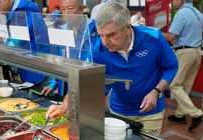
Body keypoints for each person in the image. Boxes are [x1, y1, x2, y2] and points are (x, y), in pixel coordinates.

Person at [46, 2, 179, 136]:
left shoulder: (154, 38)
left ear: (127, 28)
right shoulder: (98, 49)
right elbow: (84, 81)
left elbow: (172, 66)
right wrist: (64, 105)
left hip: (151, 113)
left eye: (110, 35)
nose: (105, 42)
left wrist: (156, 91)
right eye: (101, 35)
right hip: (118, 111)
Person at [0, 0, 49, 89]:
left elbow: (16, 40)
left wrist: (1, 54)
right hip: (29, 66)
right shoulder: (15, 12)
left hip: (36, 70)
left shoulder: (22, 12)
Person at [163, 0, 203, 131]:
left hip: (185, 52)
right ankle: (180, 115)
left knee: (174, 83)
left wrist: (155, 33)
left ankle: (196, 113)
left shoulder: (182, 13)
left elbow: (171, 37)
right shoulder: (198, 13)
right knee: (186, 85)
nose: (173, 1)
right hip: (197, 51)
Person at [41, 0, 90, 97]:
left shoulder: (92, 30)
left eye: (70, 9)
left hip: (86, 83)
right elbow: (58, 60)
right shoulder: (62, 30)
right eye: (63, 9)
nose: (66, 13)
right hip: (66, 83)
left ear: (81, 9)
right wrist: (52, 83)